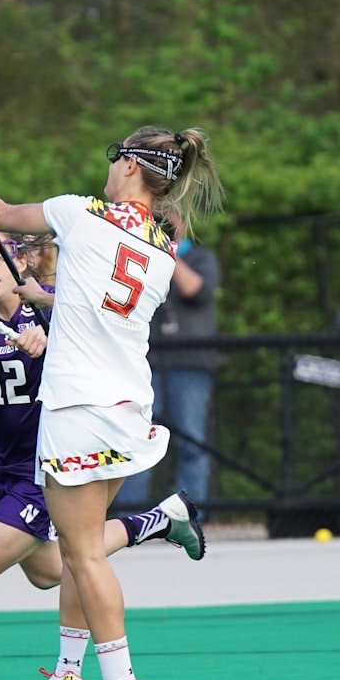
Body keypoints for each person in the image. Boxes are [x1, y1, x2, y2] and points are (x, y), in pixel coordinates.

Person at [0, 125, 223, 680]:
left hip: (79, 408)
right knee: (75, 549)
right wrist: (42, 293)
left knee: (82, 554)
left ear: (129, 165)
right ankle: (68, 675)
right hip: (125, 407)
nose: (107, 166)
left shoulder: (80, 214)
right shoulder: (160, 245)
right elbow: (94, 295)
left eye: (113, 156)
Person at [0, 224, 205, 680]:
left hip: (52, 464)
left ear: (21, 256)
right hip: (12, 463)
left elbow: (99, 349)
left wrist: (51, 338)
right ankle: (159, 520)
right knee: (51, 571)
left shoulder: (58, 305)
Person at [115, 208, 222, 511]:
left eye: (167, 219)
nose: (161, 224)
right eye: (155, 218)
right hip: (146, 365)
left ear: (182, 221)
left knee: (192, 442)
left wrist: (167, 250)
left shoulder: (201, 258)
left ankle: (188, 514)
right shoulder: (142, 260)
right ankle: (131, 518)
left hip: (190, 364)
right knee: (139, 439)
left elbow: (195, 289)